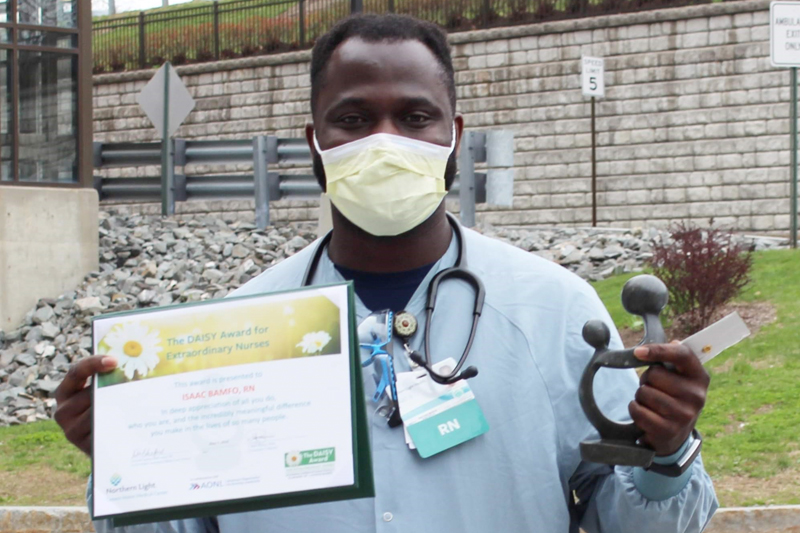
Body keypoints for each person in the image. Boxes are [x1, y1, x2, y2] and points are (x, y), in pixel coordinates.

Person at [55, 13, 718, 532]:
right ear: (314, 141)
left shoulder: (554, 312)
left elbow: (634, 519)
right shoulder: (236, 332)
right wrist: (129, 459)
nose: (384, 139)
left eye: (414, 115)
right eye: (352, 119)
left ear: (453, 134)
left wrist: (666, 454)